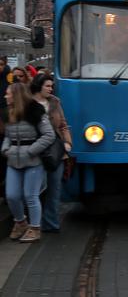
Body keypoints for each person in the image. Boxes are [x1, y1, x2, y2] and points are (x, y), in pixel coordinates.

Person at [2, 83, 54, 243]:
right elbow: (8, 136)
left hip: (33, 160)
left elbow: (49, 135)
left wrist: (31, 150)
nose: (5, 96)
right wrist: (5, 149)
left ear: (16, 95)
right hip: (13, 159)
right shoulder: (9, 113)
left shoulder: (35, 111)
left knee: (30, 195)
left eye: (8, 93)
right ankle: (20, 222)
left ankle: (35, 228)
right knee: (11, 195)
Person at [29, 74, 70, 233]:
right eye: (47, 86)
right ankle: (34, 223)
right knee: (36, 190)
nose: (50, 89)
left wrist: (67, 142)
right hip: (35, 151)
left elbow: (63, 125)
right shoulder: (27, 103)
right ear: (38, 86)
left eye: (51, 86)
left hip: (55, 152)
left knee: (54, 187)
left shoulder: (54, 102)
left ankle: (51, 223)